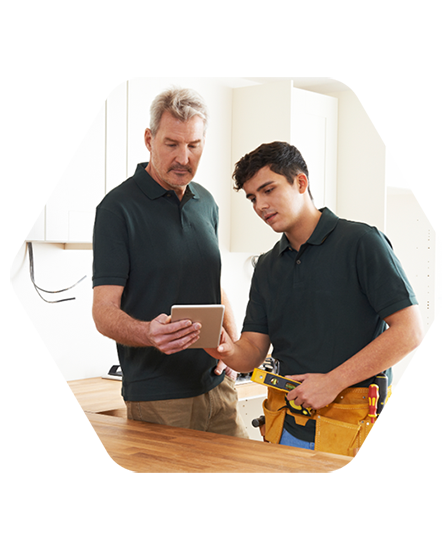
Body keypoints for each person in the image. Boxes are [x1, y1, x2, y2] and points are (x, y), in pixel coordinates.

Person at [206, 141, 422, 454]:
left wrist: (333, 382)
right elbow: (252, 351)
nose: (260, 205)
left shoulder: (361, 242)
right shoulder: (266, 265)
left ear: (301, 182)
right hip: (286, 425)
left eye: (269, 190)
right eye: (252, 198)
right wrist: (225, 348)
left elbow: (409, 332)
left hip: (353, 427)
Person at [92, 87, 248, 439]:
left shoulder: (206, 202)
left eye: (194, 145)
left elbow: (212, 282)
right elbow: (103, 311)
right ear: (149, 139)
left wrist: (233, 346)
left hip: (217, 386)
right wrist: (148, 332)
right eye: (172, 144)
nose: (184, 157)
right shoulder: (117, 209)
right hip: (158, 398)